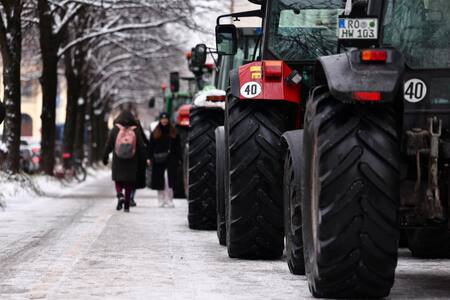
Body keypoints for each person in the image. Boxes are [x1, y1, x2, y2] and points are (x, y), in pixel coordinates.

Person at [103, 110, 147, 212]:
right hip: (132, 160)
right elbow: (141, 146)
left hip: (118, 160)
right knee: (129, 183)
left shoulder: (115, 129)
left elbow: (108, 144)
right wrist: (143, 160)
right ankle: (126, 206)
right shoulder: (135, 130)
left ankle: (120, 195)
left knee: (118, 180)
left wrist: (104, 157)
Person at [149, 112, 181, 208]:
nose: (164, 120)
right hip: (158, 158)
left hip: (171, 158)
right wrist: (149, 157)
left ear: (168, 119)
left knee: (170, 180)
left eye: (166, 118)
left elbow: (178, 146)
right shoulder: (155, 131)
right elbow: (151, 146)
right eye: (162, 119)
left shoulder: (173, 131)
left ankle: (170, 200)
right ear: (160, 120)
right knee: (159, 179)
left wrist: (179, 158)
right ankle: (161, 200)